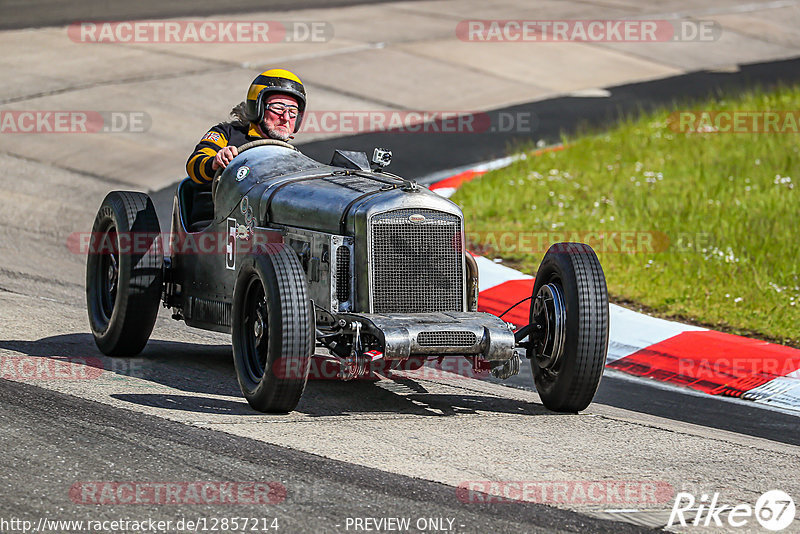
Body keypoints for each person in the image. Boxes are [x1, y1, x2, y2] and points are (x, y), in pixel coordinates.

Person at [186, 68, 307, 184]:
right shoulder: (226, 133)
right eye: (278, 109)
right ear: (257, 108)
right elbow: (194, 164)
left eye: (292, 112)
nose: (286, 118)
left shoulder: (293, 156)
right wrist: (215, 162)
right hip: (218, 203)